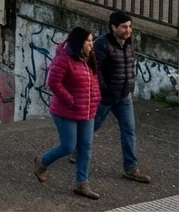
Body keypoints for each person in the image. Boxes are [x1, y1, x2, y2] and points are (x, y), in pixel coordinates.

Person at [34, 27, 102, 200]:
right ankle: (42, 163)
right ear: (79, 42)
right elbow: (53, 82)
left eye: (92, 40)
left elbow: (93, 79)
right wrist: (71, 100)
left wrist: (96, 98)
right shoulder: (64, 58)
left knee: (85, 147)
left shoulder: (89, 57)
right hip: (66, 110)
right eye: (88, 41)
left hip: (87, 110)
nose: (91, 44)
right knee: (68, 146)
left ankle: (82, 183)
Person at [91, 11, 150, 183]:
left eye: (130, 26)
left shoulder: (129, 43)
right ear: (113, 27)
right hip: (106, 97)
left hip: (124, 96)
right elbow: (96, 69)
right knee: (93, 126)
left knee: (129, 131)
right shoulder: (102, 44)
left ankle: (131, 168)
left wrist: (129, 86)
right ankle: (75, 148)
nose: (128, 30)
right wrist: (104, 89)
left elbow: (130, 66)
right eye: (124, 27)